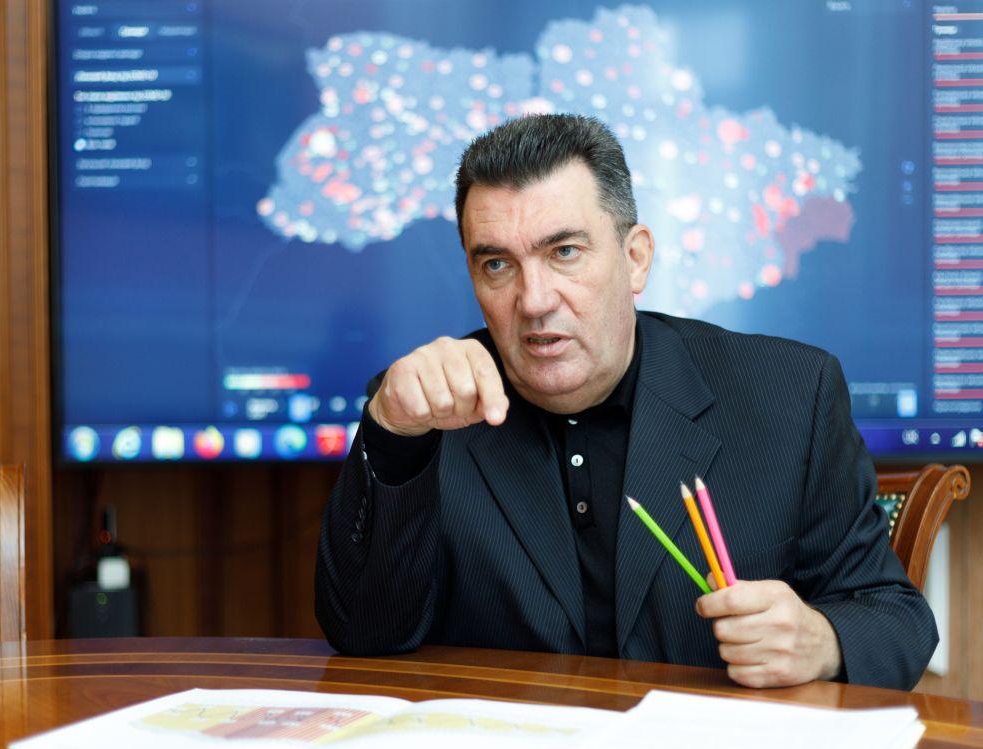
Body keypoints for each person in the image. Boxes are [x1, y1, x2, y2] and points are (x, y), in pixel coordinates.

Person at [316, 114, 936, 690]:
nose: (534, 300)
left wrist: (820, 641)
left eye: (564, 252)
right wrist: (392, 434)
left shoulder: (790, 395)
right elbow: (365, 635)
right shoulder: (426, 409)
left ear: (635, 259)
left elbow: (895, 617)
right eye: (498, 264)